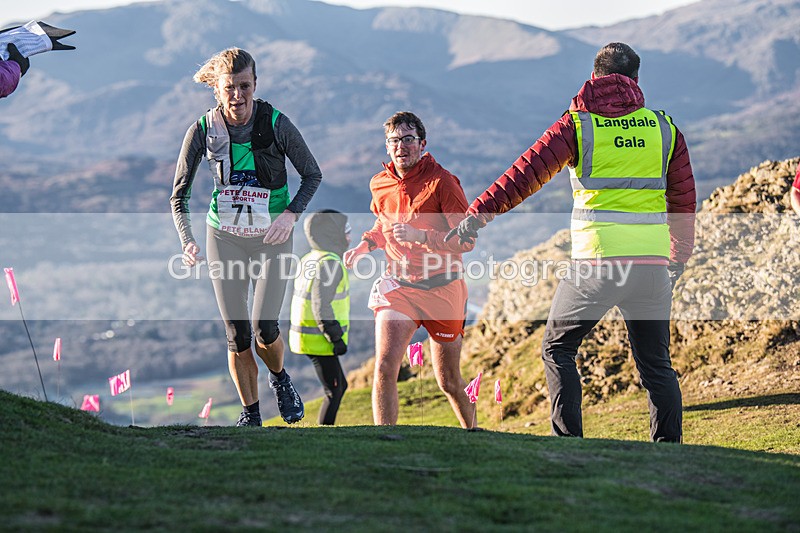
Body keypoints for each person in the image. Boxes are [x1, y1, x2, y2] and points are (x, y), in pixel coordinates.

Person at [449, 43, 696, 442]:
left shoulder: (578, 125)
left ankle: (569, 444)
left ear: (595, 76)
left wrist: (476, 216)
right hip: (651, 266)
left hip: (596, 264)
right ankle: (670, 450)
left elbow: (524, 175)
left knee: (557, 350)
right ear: (635, 80)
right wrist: (679, 258)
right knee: (656, 365)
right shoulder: (665, 128)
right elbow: (683, 201)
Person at [170, 48, 322, 426]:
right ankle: (250, 415)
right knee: (237, 334)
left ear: (255, 85)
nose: (238, 95)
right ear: (217, 90)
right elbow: (179, 195)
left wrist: (289, 216)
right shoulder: (202, 130)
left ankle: (280, 378)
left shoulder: (276, 123)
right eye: (229, 88)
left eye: (245, 86)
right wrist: (187, 240)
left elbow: (312, 174)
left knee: (264, 328)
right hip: (224, 236)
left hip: (272, 235)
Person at [343, 111, 477, 429]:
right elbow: (383, 223)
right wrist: (366, 244)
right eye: (394, 141)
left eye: (408, 139)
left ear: (422, 144)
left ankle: (474, 433)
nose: (401, 146)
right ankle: (384, 442)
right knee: (385, 367)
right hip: (399, 286)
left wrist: (422, 237)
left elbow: (467, 240)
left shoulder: (444, 183)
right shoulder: (380, 183)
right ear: (387, 147)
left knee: (448, 381)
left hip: (443, 288)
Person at [289, 210, 351, 425]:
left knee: (339, 386)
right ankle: (324, 433)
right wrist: (335, 339)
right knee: (335, 389)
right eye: (346, 231)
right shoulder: (330, 263)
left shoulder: (311, 258)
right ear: (333, 234)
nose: (349, 237)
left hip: (307, 337)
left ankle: (326, 432)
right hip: (320, 340)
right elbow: (320, 305)